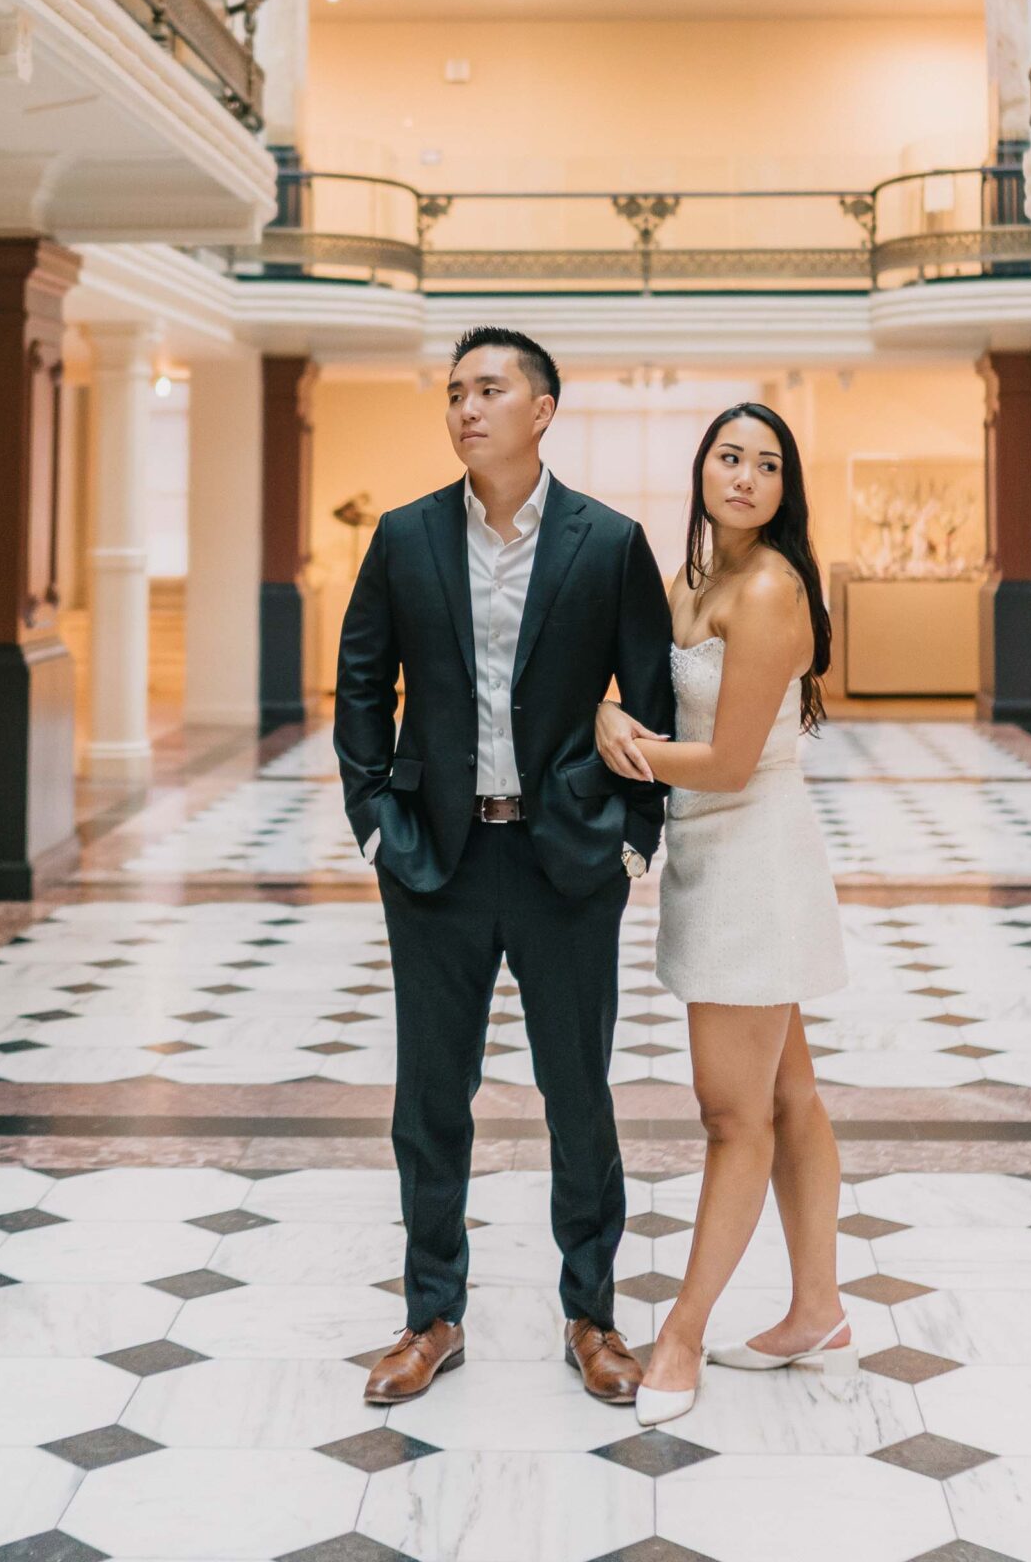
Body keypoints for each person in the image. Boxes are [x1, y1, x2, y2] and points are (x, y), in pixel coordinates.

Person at [334, 324, 675, 1410]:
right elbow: (359, 684)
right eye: (454, 392)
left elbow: (653, 697)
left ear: (542, 408)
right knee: (430, 1097)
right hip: (436, 855)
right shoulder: (402, 538)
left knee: (576, 1093)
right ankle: (432, 1315)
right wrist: (375, 822)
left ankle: (594, 1315)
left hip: (563, 858)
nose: (466, 408)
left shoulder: (608, 541)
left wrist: (634, 837)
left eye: (489, 389)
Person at [596, 402, 852, 1428]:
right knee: (789, 1094)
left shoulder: (772, 586)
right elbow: (647, 696)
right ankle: (819, 1310)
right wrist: (611, 712)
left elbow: (735, 760)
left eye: (767, 464)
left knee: (731, 1113)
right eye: (728, 455)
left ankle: (682, 1333)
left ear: (787, 489)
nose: (744, 475)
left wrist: (625, 744)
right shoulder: (692, 579)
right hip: (712, 854)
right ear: (703, 466)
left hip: (755, 862)